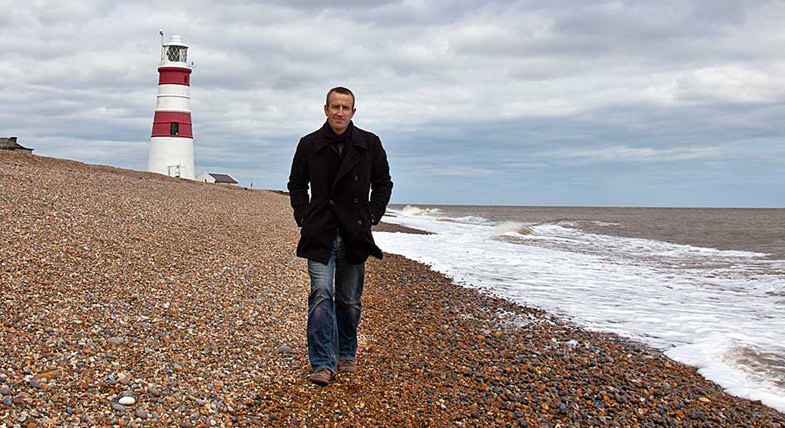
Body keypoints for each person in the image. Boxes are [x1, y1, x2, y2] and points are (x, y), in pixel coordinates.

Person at [287, 87, 393, 386]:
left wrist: (372, 215)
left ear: (353, 112)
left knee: (349, 301)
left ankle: (346, 352)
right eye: (335, 106)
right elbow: (296, 184)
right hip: (320, 231)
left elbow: (383, 183)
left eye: (346, 107)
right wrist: (303, 215)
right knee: (321, 295)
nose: (340, 112)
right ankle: (322, 362)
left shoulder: (369, 144)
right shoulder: (309, 144)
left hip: (354, 233)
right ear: (325, 109)